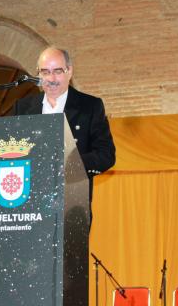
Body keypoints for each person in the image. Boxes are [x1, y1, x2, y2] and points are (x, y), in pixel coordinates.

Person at [14, 47, 116, 201]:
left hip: (72, 202)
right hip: (27, 201)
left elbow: (106, 155)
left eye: (58, 71)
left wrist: (68, 164)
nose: (51, 79)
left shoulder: (90, 106)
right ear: (38, 74)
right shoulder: (22, 107)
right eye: (45, 72)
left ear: (69, 71)